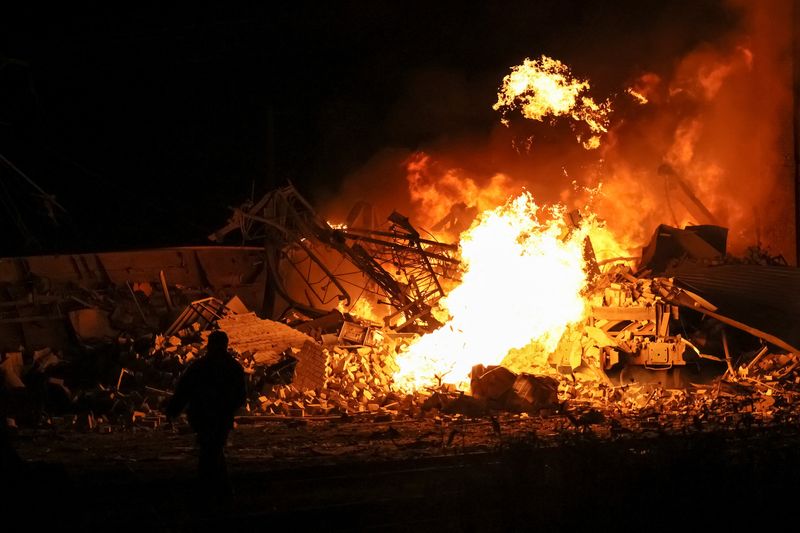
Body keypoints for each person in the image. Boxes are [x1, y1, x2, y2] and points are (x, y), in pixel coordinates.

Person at [166, 330, 246, 511]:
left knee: (209, 452)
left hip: (202, 417)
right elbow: (241, 397)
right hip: (221, 418)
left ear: (209, 345)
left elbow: (184, 390)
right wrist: (228, 408)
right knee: (213, 450)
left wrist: (173, 410)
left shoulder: (200, 366)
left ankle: (210, 494)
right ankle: (220, 494)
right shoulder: (233, 367)